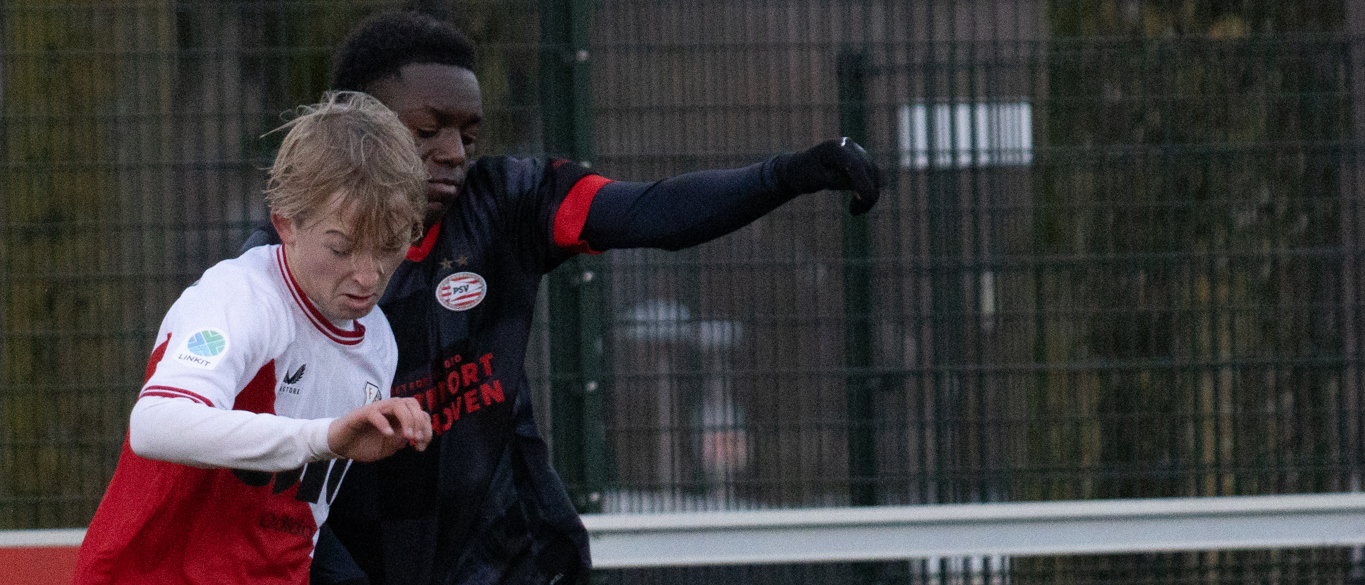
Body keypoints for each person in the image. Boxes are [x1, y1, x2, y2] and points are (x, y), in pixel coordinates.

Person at [241, 11, 882, 585]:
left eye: (469, 134)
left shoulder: (509, 203)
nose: (454, 153)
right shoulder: (280, 264)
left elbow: (650, 211)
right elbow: (243, 447)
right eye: (428, 130)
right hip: (345, 554)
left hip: (502, 549)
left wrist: (785, 175)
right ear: (360, 126)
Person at [74, 91, 435, 585]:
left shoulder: (379, 343)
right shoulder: (241, 298)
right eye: (341, 248)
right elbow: (154, 424)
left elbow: (299, 521)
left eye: (389, 247)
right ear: (286, 224)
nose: (368, 276)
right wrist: (323, 438)